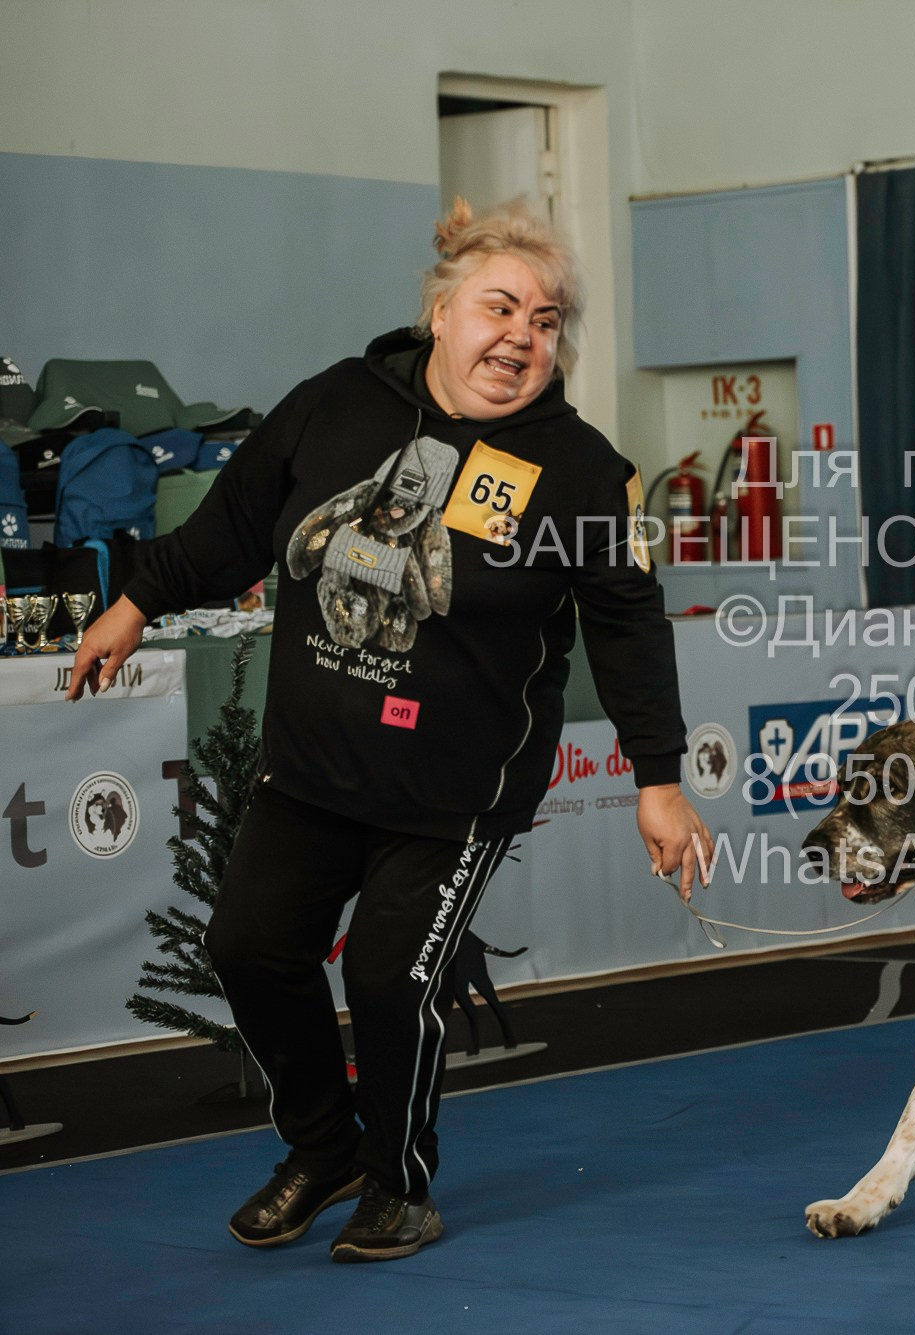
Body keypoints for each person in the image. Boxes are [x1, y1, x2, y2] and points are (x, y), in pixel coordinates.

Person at [67, 197, 713, 1263]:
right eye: (500, 307)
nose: (521, 336)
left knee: (385, 977)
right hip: (314, 766)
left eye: (546, 321)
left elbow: (626, 622)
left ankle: (396, 1182)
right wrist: (134, 603)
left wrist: (657, 776)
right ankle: (320, 1149)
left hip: (454, 793)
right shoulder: (336, 405)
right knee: (248, 949)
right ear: (440, 312)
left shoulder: (580, 469)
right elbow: (230, 527)